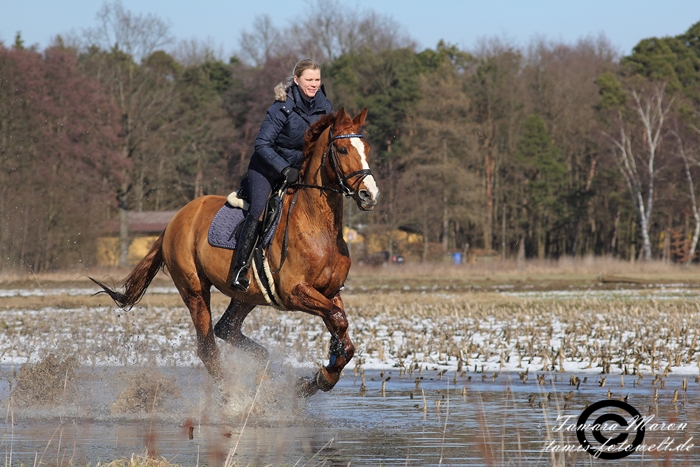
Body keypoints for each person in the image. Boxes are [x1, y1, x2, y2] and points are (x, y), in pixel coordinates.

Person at [230, 59, 333, 291]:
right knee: (259, 209)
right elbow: (262, 143)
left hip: (300, 173)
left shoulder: (325, 108)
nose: (314, 84)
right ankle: (240, 270)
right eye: (309, 79)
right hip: (267, 168)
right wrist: (283, 168)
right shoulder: (281, 106)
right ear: (296, 80)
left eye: (317, 79)